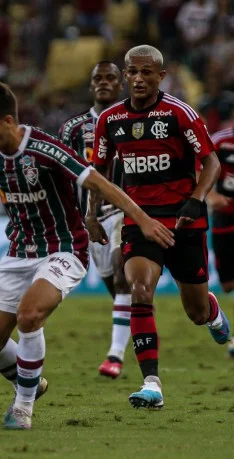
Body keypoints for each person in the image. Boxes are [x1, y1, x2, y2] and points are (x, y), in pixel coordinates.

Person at [0, 82, 173, 430]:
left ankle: (23, 407)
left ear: (8, 120)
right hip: (18, 252)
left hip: (64, 248)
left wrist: (143, 219)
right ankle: (32, 382)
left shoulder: (46, 149)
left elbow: (99, 182)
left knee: (29, 316)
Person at [91, 45, 229, 410]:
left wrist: (197, 198)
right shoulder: (110, 120)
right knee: (138, 288)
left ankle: (212, 312)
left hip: (184, 220)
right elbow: (99, 173)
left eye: (146, 72)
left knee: (196, 313)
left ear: (160, 76)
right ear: (125, 75)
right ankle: (151, 383)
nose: (138, 78)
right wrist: (92, 215)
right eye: (132, 72)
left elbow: (211, 163)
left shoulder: (178, 114)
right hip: (140, 220)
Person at [59, 61, 132, 379]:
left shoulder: (134, 121)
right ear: (91, 86)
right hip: (90, 219)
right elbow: (61, 175)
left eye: (110, 78)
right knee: (117, 289)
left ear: (121, 85)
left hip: (126, 211)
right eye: (98, 78)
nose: (103, 83)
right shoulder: (73, 129)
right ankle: (138, 322)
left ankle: (115, 356)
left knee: (122, 276)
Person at [209, 127, 234, 356]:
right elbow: (199, 168)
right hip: (224, 217)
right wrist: (211, 196)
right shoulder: (220, 141)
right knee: (228, 284)